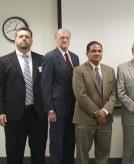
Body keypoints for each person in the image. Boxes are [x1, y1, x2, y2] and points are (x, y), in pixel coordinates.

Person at [0, 27, 48, 164]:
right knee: (14, 153)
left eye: (27, 37)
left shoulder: (42, 60)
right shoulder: (3, 61)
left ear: (31, 40)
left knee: (39, 152)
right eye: (21, 36)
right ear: (15, 39)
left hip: (38, 114)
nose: (24, 39)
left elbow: (47, 86)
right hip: (14, 115)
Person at [72, 41, 117, 164]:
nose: (97, 53)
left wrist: (104, 111)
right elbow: (80, 95)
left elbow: (114, 93)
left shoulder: (110, 70)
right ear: (87, 53)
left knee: (103, 153)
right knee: (82, 155)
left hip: (105, 120)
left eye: (99, 51)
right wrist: (97, 112)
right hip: (84, 119)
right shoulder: (78, 70)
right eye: (93, 51)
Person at [41, 28, 80, 164]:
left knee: (70, 143)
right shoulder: (50, 57)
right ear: (56, 39)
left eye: (67, 37)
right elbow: (45, 85)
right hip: (57, 109)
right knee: (57, 144)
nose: (64, 40)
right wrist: (50, 109)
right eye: (61, 37)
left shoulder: (74, 57)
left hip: (73, 109)